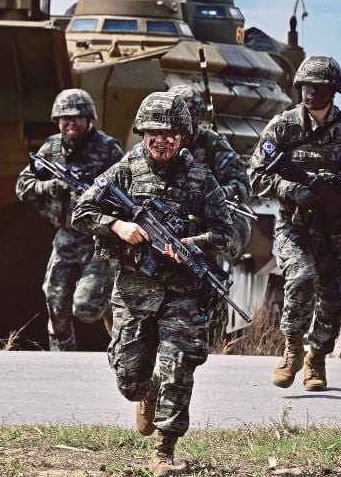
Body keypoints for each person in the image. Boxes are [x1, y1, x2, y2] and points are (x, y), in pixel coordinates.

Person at [72, 92, 232, 476]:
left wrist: (191, 245)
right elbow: (82, 211)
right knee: (129, 379)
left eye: (170, 133)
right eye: (152, 132)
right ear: (142, 134)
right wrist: (118, 226)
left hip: (183, 293)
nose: (161, 140)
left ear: (183, 135)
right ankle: (146, 393)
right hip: (134, 292)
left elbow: (225, 232)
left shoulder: (201, 179)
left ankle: (164, 451)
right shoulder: (124, 171)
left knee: (179, 367)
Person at [248, 56, 341, 391]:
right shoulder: (282, 127)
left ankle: (316, 359)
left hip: (335, 232)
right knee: (302, 276)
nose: (311, 94)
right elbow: (256, 175)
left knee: (334, 296)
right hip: (294, 226)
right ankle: (292, 349)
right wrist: (290, 189)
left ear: (333, 90)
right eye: (306, 87)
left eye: (319, 88)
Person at [15, 88, 124, 351]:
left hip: (100, 239)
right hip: (67, 236)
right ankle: (61, 357)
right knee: (55, 297)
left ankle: (111, 303)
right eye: (64, 118)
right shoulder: (51, 148)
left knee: (86, 307)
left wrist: (96, 197)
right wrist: (50, 187)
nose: (70, 122)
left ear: (89, 119)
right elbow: (23, 184)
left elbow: (127, 193)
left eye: (77, 117)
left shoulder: (109, 149)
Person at [169, 84, 252, 258]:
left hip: (207, 219)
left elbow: (242, 185)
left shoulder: (213, 144)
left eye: (186, 114)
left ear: (195, 114)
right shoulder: (159, 143)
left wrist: (219, 194)